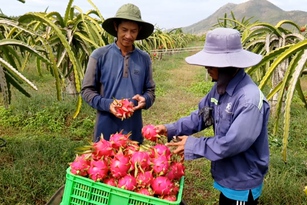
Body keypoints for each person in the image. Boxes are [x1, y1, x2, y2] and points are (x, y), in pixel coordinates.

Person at [156, 28, 270, 205]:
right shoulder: (219, 89)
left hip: (241, 179)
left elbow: (232, 143)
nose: (206, 68)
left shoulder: (248, 100)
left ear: (228, 65)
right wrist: (171, 129)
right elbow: (202, 117)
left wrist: (194, 144)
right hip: (228, 173)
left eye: (211, 64)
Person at [81, 3, 155, 143]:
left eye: (133, 31)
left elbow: (150, 91)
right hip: (105, 133)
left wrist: (146, 100)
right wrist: (107, 104)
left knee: (135, 165)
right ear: (116, 27)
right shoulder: (99, 55)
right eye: (124, 29)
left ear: (139, 30)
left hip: (134, 131)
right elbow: (87, 91)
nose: (128, 35)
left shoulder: (144, 58)